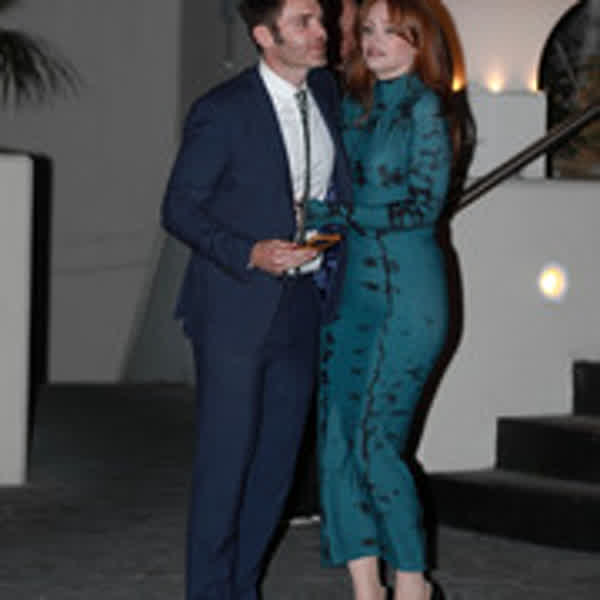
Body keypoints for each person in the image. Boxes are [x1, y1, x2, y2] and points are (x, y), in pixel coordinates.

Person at [161, 0, 352, 598]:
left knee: (275, 468)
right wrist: (249, 252)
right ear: (265, 36)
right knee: (226, 466)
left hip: (303, 303)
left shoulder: (327, 94)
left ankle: (242, 587)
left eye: (319, 19)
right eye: (303, 23)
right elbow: (179, 208)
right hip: (235, 310)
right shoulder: (223, 110)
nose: (321, 32)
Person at [307, 0, 460, 598]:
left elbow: (423, 206)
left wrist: (341, 215)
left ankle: (414, 583)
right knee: (338, 439)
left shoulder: (427, 108)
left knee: (375, 444)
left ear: (420, 43)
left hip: (408, 298)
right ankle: (367, 589)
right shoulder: (351, 105)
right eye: (367, 29)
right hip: (350, 293)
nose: (373, 41)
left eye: (391, 32)